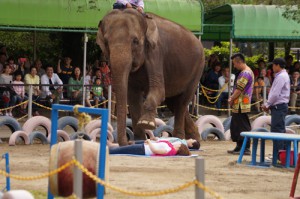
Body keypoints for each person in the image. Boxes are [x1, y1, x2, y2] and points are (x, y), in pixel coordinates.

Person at [261, 58, 290, 157]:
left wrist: (267, 104)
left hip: (279, 106)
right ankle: (280, 154)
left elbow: (275, 94)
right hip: (279, 106)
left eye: (273, 65)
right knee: (279, 129)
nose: (272, 67)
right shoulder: (281, 75)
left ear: (278, 65)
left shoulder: (281, 76)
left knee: (277, 131)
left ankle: (279, 155)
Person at [227, 53, 254, 155]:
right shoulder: (245, 72)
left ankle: (246, 148)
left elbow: (239, 89)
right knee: (236, 125)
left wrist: (231, 98)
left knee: (242, 125)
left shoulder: (245, 73)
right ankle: (239, 146)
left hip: (242, 103)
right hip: (239, 103)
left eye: (235, 64)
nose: (234, 66)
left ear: (239, 62)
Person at [109, 139, 190, 156]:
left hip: (143, 149)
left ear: (179, 147)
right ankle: (107, 150)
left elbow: (156, 150)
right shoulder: (170, 147)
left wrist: (149, 142)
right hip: (144, 147)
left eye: (178, 144)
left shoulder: (169, 150)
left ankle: (105, 151)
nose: (176, 143)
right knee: (123, 149)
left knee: (121, 150)